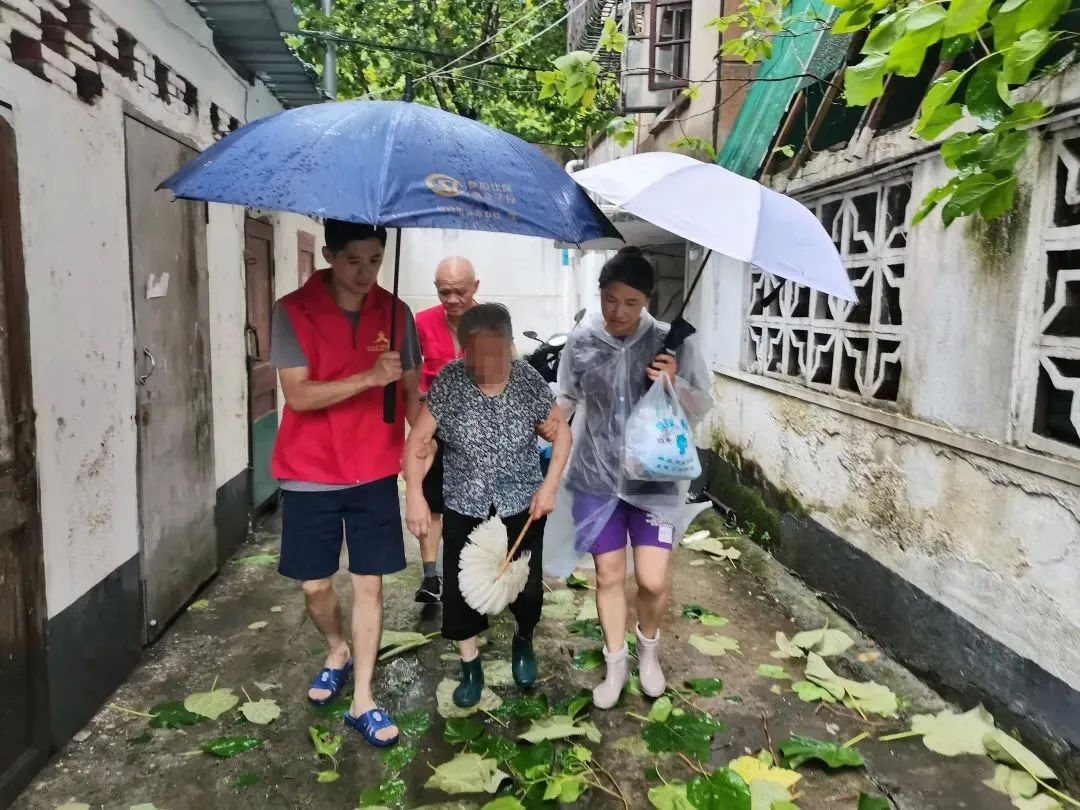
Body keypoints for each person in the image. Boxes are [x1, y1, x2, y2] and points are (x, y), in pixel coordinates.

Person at [269, 219, 423, 749]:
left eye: (375, 260)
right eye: (354, 260)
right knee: (314, 585)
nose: (365, 272)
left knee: (370, 583)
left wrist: (413, 454)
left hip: (374, 469)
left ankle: (363, 698)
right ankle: (336, 647)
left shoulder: (397, 313)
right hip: (309, 468)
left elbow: (411, 395)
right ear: (329, 255)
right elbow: (300, 396)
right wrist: (365, 377)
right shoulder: (292, 311)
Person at [551, 247, 712, 710]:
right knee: (607, 576)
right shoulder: (581, 341)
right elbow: (565, 398)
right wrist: (544, 428)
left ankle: (649, 649)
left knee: (653, 582)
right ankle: (616, 662)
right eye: (610, 299)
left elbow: (700, 407)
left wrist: (674, 382)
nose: (618, 312)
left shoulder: (671, 342)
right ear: (600, 294)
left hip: (654, 483)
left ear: (647, 301)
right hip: (595, 478)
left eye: (631, 303)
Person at [403, 303, 571, 707]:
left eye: (495, 352)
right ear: (462, 349)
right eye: (473, 353)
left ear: (510, 345)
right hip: (466, 502)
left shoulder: (529, 381)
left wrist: (549, 488)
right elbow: (417, 443)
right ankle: (471, 667)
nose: (484, 362)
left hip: (521, 502)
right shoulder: (449, 382)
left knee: (527, 593)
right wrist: (414, 495)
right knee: (461, 596)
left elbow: (561, 434)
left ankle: (523, 639)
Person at [411, 256, 480, 604]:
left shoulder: (491, 322)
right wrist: (418, 429)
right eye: (444, 292)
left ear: (475, 288)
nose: (451, 299)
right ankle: (430, 577)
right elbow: (410, 378)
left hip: (477, 429)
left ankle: (468, 573)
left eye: (459, 292)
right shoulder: (421, 322)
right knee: (431, 500)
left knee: (472, 503)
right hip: (432, 425)